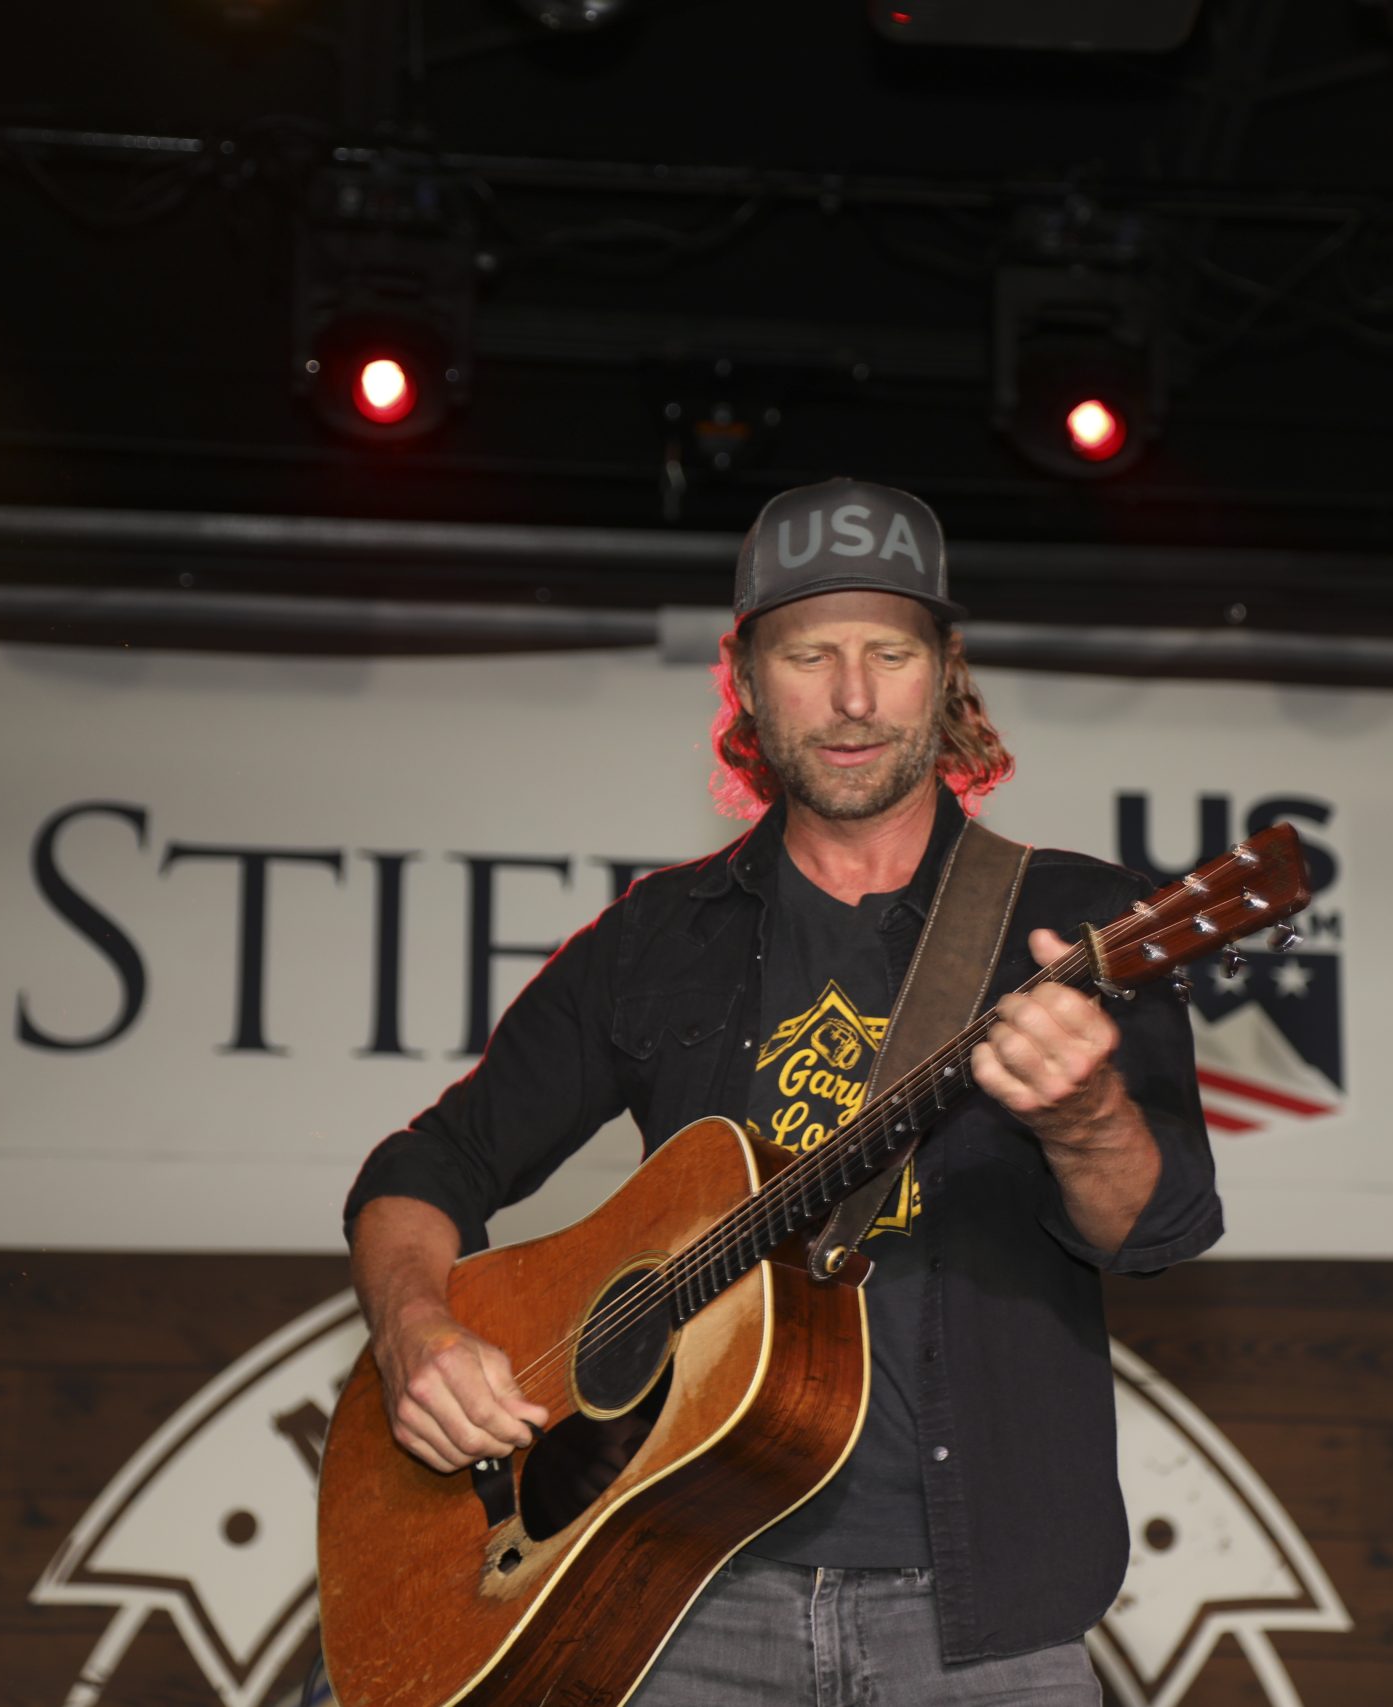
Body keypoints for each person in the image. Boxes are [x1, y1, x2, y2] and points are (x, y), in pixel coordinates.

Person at [344, 476, 1221, 1706]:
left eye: (890, 654)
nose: (853, 698)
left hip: (983, 1623)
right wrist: (414, 1331)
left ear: (945, 672)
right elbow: (427, 1170)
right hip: (671, 1594)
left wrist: (1085, 1121)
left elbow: (1159, 1227)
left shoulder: (1074, 924)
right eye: (810, 655)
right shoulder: (659, 939)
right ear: (747, 680)